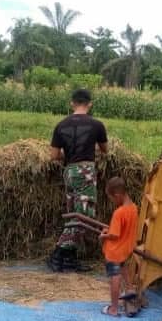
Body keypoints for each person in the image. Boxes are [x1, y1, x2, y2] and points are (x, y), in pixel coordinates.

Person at [48, 89, 108, 272]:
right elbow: (105, 150)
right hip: (85, 171)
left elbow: (54, 156)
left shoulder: (61, 125)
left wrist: (69, 153)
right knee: (84, 217)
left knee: (74, 214)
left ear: (72, 103)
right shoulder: (97, 125)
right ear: (89, 104)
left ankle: (70, 260)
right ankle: (58, 253)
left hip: (69, 171)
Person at [99, 177, 139, 316]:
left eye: (112, 199)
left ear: (117, 195)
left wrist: (104, 236)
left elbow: (115, 235)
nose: (113, 202)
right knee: (123, 267)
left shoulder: (119, 212)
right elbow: (122, 230)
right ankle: (129, 289)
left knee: (114, 277)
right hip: (124, 249)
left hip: (114, 252)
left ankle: (114, 309)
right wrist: (109, 229)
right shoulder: (133, 208)